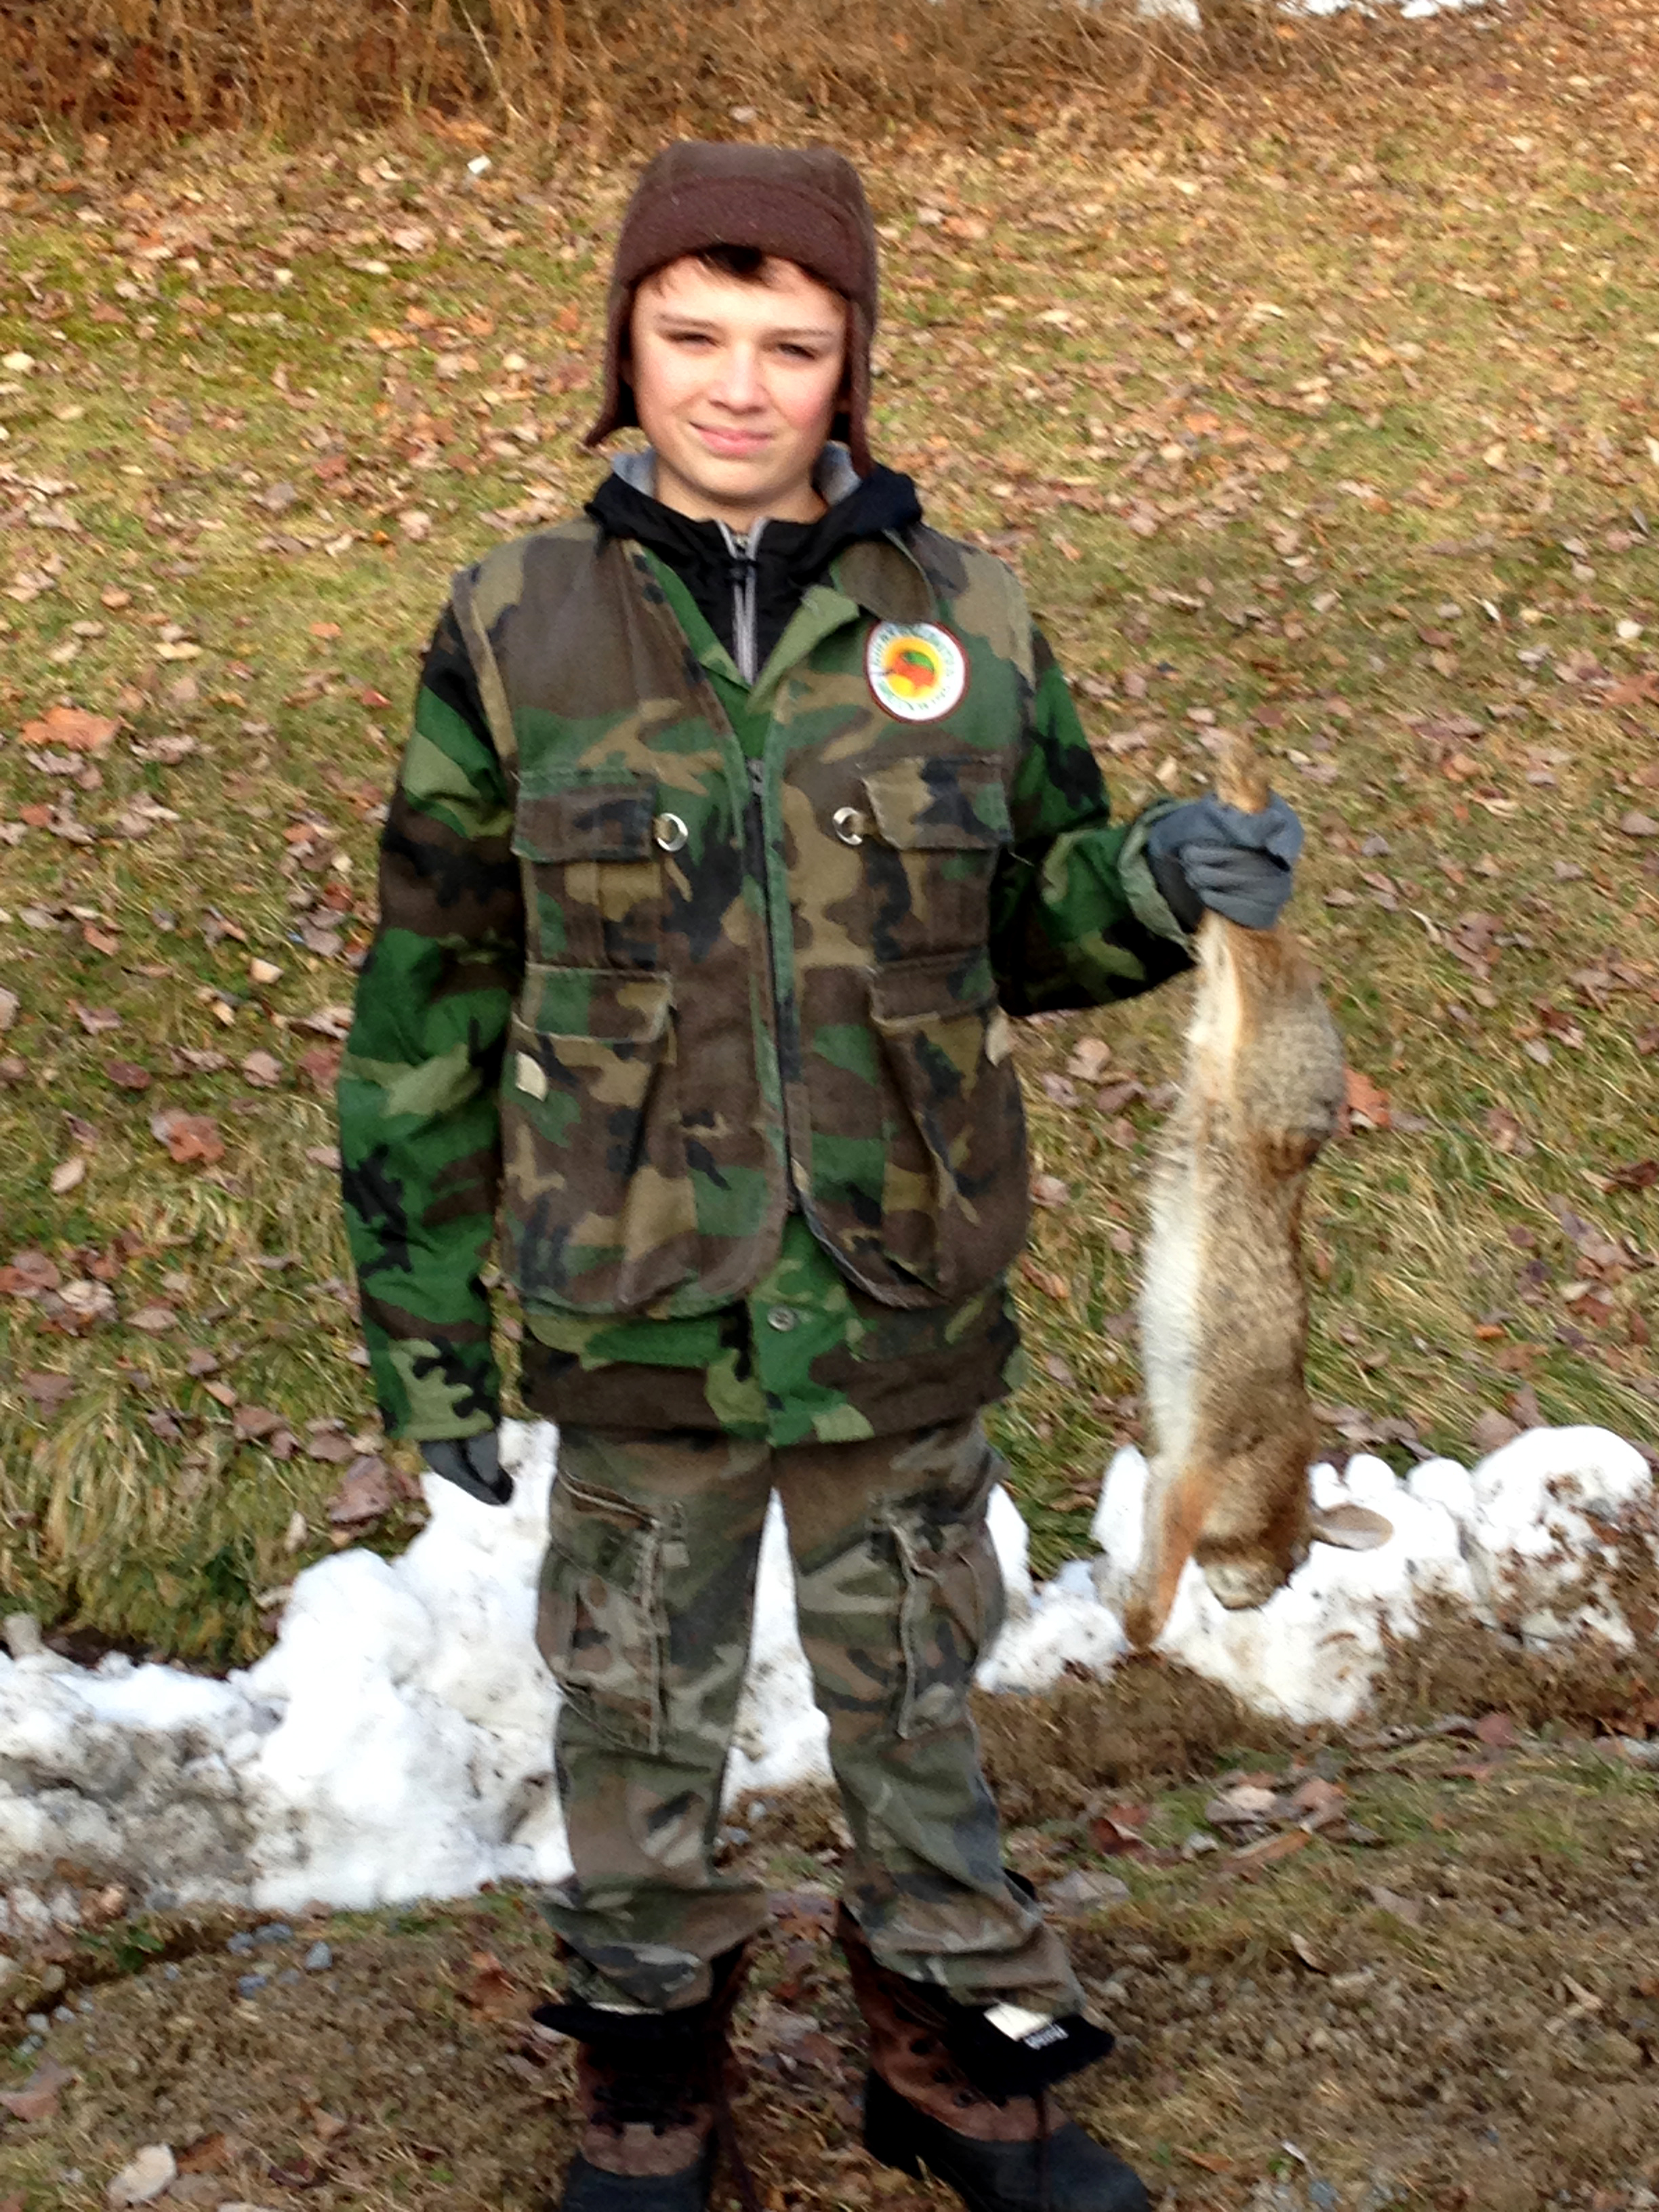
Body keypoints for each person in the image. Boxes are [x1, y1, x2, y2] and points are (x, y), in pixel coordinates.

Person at [336, 140, 1303, 2212]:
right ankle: (650, 2085)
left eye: (792, 340)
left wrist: (1157, 877)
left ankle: (947, 2059)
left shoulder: (970, 610)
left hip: (902, 1290)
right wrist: (425, 1341)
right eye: (693, 335)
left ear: (853, 360)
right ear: (627, 344)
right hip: (632, 1291)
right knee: (632, 1714)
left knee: (918, 1699)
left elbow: (1033, 925)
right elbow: (430, 992)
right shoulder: (519, 622)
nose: (741, 384)